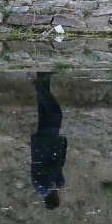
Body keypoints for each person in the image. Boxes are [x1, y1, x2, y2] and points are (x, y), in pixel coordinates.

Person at [30, 72, 67, 209]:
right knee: (45, 112)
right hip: (45, 143)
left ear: (53, 198)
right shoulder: (43, 188)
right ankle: (43, 79)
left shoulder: (43, 186)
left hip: (45, 143)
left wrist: (59, 183)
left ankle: (40, 85)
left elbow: (52, 169)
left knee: (56, 114)